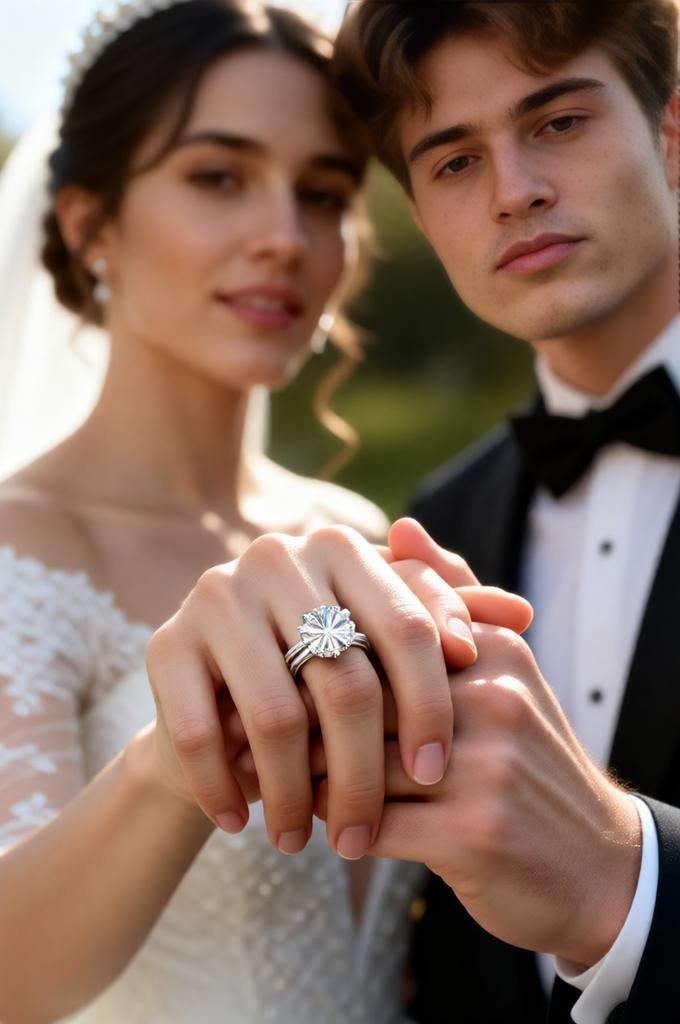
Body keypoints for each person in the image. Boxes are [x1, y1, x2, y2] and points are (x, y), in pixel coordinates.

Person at [128, 2, 679, 1024]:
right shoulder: (435, 521)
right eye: (453, 162)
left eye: (556, 122)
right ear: (420, 215)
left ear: (669, 131)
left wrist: (624, 881)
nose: (515, 192)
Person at [0, 2, 529, 1021]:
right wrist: (174, 758)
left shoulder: (363, 536)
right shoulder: (18, 552)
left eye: (322, 194)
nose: (282, 237)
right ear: (86, 223)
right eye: (217, 176)